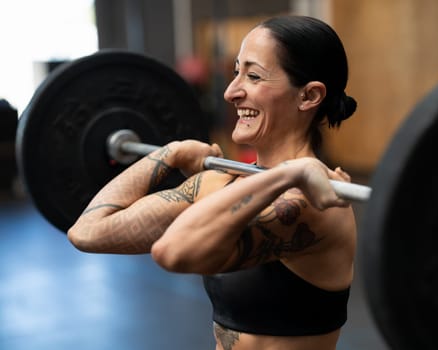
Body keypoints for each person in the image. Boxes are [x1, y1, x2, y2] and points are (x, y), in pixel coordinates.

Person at [68, 15, 358, 350]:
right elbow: (88, 231)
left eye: (253, 75)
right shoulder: (219, 183)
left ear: (308, 96)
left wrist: (289, 173)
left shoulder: (310, 205)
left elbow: (173, 251)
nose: (231, 91)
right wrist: (170, 154)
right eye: (236, 72)